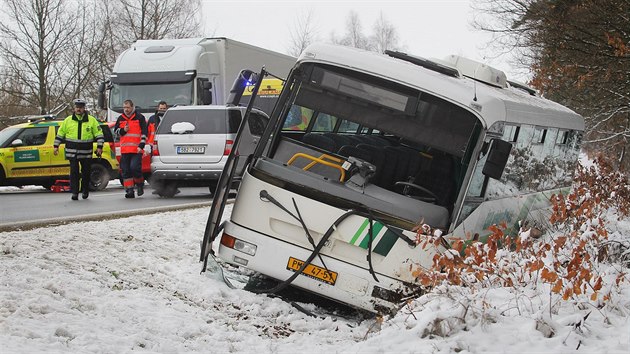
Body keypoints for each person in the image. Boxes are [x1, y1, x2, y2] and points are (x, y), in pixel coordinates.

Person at [53, 99, 103, 200]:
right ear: (74, 108)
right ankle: (74, 192)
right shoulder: (68, 120)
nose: (78, 109)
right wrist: (56, 146)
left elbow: (99, 134)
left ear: (84, 108)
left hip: (86, 153)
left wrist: (99, 147)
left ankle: (85, 190)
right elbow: (60, 134)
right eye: (77, 107)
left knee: (86, 173)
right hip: (72, 153)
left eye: (80, 107)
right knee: (74, 173)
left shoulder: (91, 120)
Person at [114, 99, 148, 198]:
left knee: (135, 168)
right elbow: (116, 132)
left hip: (136, 149)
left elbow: (144, 133)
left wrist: (141, 146)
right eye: (124, 107)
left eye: (128, 107)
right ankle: (129, 191)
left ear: (132, 107)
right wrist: (123, 130)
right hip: (125, 150)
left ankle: (140, 184)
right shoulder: (120, 118)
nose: (126, 110)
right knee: (125, 171)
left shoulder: (139, 117)